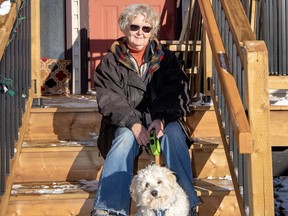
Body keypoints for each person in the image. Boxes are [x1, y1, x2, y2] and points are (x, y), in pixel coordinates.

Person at [91, 4, 201, 216]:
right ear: (125, 28)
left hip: (161, 118)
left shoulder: (167, 60)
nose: (140, 32)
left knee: (174, 135)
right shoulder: (110, 62)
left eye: (146, 28)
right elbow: (109, 100)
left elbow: (176, 93)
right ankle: (110, 208)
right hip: (125, 121)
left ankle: (187, 203)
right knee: (123, 140)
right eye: (134, 27)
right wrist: (133, 123)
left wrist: (160, 118)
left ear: (153, 31)